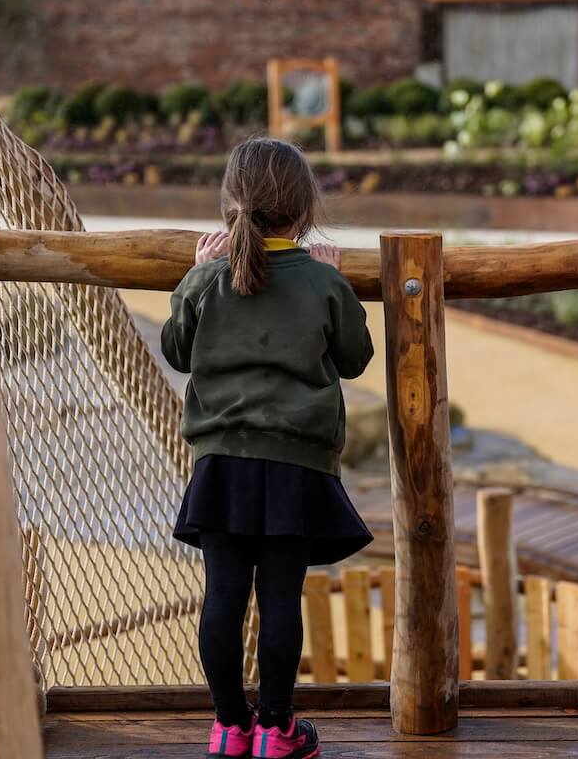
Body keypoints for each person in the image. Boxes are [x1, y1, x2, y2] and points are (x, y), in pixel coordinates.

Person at [162, 137, 373, 759]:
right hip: (296, 465)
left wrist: (191, 277)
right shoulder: (320, 282)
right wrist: (335, 282)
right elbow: (355, 359)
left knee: (223, 594)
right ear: (305, 212)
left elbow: (177, 351)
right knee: (281, 596)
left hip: (220, 464)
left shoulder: (206, 279)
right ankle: (278, 731)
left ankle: (230, 727)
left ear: (231, 206)